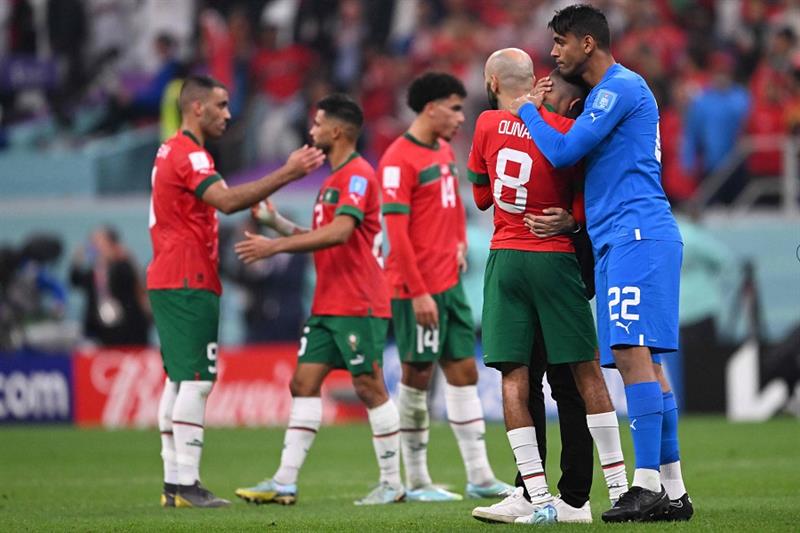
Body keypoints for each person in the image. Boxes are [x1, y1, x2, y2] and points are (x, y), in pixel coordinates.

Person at [510, 4, 692, 522]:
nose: (553, 53)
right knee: (646, 361)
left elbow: (565, 152)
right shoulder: (607, 96)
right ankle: (674, 492)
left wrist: (527, 109)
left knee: (632, 351)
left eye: (560, 43)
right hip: (619, 236)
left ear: (586, 43)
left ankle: (647, 483)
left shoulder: (619, 87)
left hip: (637, 233)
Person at [147, 74, 324, 509]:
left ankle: (175, 483)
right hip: (187, 278)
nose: (228, 114)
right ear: (196, 108)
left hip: (173, 275)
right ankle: (187, 484)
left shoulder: (171, 149)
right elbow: (226, 202)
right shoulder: (192, 155)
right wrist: (287, 171)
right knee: (196, 380)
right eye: (221, 106)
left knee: (178, 379)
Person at [468, 50, 627, 525]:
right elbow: (591, 197)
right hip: (557, 259)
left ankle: (550, 498)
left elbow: (480, 195)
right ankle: (603, 491)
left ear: (490, 80)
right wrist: (572, 218)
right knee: (581, 376)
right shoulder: (569, 135)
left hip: (509, 254)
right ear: (534, 82)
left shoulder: (485, 125)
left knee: (522, 378)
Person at [232, 94, 404, 506]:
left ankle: (392, 483)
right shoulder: (331, 181)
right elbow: (320, 239)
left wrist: (274, 249)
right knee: (302, 383)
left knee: (368, 386)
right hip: (328, 304)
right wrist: (278, 225)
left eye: (317, 123)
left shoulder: (359, 176)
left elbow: (341, 233)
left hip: (358, 300)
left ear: (338, 131)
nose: (311, 131)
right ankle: (284, 482)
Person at [378, 72, 512, 501]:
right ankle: (416, 479)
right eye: (454, 108)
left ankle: (479, 476)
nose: (460, 117)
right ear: (430, 107)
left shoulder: (440, 150)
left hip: (449, 284)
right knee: (418, 375)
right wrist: (418, 292)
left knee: (465, 371)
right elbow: (395, 232)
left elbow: (452, 210)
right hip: (416, 287)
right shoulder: (399, 159)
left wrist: (457, 244)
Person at [70, 225, 151, 346]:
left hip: (128, 330)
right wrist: (77, 261)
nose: (95, 246)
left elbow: (132, 282)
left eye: (98, 242)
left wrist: (120, 258)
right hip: (100, 331)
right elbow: (75, 281)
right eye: (92, 242)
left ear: (112, 244)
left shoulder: (123, 264)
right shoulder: (94, 271)